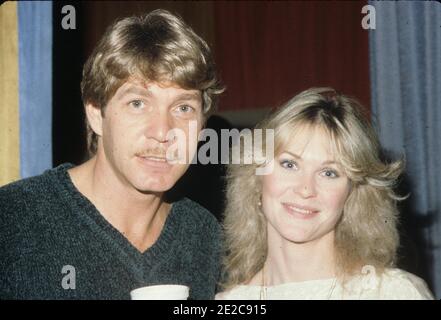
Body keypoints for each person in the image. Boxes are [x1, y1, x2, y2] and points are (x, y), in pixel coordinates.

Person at [0, 9, 224, 299]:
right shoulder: (13, 221)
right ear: (96, 114)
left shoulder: (205, 236)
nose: (163, 131)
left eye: (184, 108)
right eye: (137, 103)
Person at [216, 88, 434, 299]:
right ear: (256, 177)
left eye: (329, 173)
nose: (305, 189)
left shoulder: (389, 293)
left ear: (352, 194)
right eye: (289, 164)